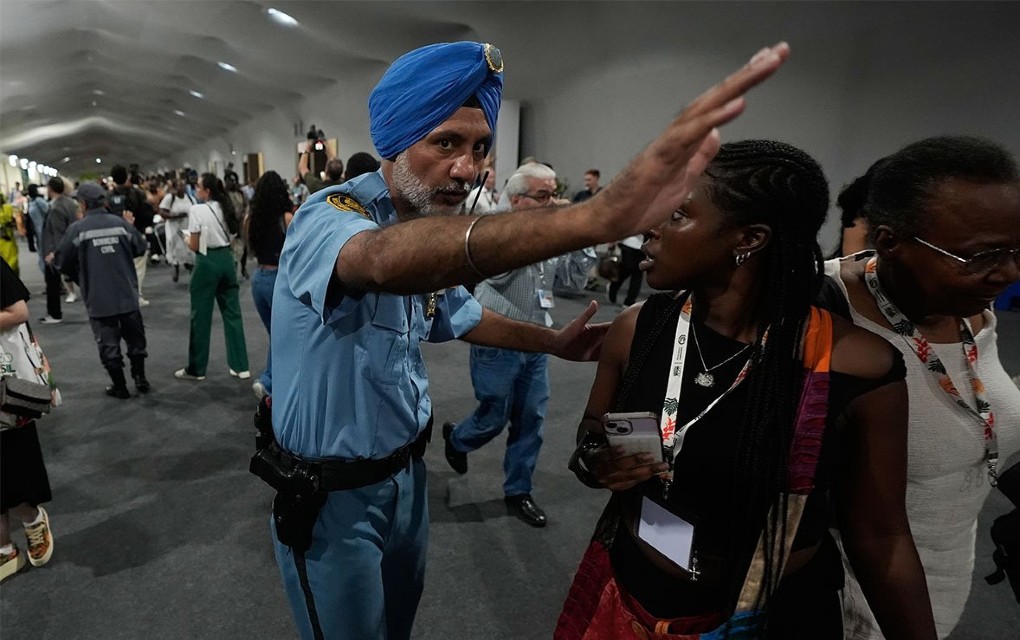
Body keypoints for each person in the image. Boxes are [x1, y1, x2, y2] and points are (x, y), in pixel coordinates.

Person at [262, 38, 793, 640]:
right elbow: (379, 262)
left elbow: (459, 316)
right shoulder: (328, 216)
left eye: (480, 147)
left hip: (406, 479)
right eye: (446, 143)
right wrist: (594, 218)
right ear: (397, 138)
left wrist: (551, 343)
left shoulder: (425, 223)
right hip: (335, 495)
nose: (465, 168)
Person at [556, 139, 938, 639]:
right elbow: (592, 428)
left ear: (749, 238)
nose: (647, 228)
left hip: (770, 613)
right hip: (631, 592)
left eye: (676, 216)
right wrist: (595, 457)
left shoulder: (852, 363)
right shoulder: (637, 327)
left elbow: (881, 535)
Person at [819, 135, 1020, 639]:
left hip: (945, 578)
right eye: (982, 255)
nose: (1009, 272)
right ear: (889, 241)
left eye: (1017, 249)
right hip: (843, 597)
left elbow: (974, 412)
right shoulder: (818, 308)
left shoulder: (973, 309)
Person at [442, 162, 586, 527]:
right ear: (518, 200)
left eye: (554, 193)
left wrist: (585, 238)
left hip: (538, 339)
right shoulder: (494, 231)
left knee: (531, 419)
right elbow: (497, 271)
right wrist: (536, 232)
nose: (554, 201)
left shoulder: (549, 229)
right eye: (544, 195)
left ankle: (518, 489)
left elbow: (573, 280)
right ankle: (458, 439)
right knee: (493, 415)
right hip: (497, 337)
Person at [56, 183, 150, 398]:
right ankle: (140, 378)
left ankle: (120, 386)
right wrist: (130, 227)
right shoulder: (120, 225)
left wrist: (82, 275)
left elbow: (62, 262)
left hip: (98, 298)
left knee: (108, 345)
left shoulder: (77, 230)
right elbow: (140, 248)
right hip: (126, 293)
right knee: (136, 340)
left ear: (83, 204)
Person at [0, 259, 55, 582]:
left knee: (13, 459)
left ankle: (32, 519)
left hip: (5, 390)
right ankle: (5, 549)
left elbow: (18, 312)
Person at [174, 173, 249, 381]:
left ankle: (197, 369)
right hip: (227, 259)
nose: (196, 189)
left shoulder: (197, 209)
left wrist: (186, 237)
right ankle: (240, 365)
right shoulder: (226, 207)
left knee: (201, 316)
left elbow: (195, 245)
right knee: (233, 314)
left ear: (206, 191)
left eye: (198, 187)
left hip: (206, 262)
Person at [246, 170, 293, 399]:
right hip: (279, 280)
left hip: (258, 280)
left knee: (277, 334)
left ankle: (273, 379)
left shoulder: (251, 218)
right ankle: (270, 381)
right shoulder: (286, 218)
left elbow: (250, 247)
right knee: (283, 335)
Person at [108, 165, 154, 307]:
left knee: (119, 266)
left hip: (114, 234)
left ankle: (120, 295)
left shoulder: (108, 196)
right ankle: (137, 295)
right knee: (138, 266)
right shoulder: (136, 193)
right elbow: (148, 207)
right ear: (126, 177)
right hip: (136, 232)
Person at [39, 178, 77, 325]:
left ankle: (54, 314)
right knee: (80, 279)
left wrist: (53, 253)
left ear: (50, 189)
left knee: (52, 284)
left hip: (56, 252)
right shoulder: (69, 203)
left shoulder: (56, 208)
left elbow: (57, 233)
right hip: (71, 248)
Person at [158, 179, 196, 283]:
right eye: (179, 186)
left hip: (187, 227)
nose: (181, 188)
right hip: (173, 228)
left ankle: (192, 272)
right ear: (175, 187)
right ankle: (176, 269)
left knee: (189, 250)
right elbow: (162, 212)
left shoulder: (190, 199)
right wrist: (176, 216)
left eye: (183, 186)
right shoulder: (170, 198)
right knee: (175, 249)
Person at [25, 184, 49, 274]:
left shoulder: (39, 201)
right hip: (37, 232)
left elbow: (48, 210)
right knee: (41, 255)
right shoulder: (32, 202)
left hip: (44, 231)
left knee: (44, 255)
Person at [0, 194, 19, 275]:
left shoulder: (8, 208)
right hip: (7, 241)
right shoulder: (8, 207)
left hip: (8, 242)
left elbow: (17, 220)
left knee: (12, 264)